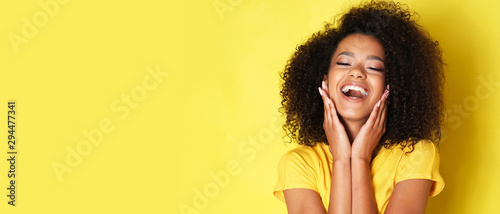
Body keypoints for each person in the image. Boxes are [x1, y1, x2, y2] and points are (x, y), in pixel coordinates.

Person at [273, 1, 445, 213]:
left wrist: (360, 158)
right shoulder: (298, 163)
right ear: (324, 81)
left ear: (392, 86)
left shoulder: (416, 154)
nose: (356, 72)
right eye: (344, 63)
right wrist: (342, 159)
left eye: (374, 67)